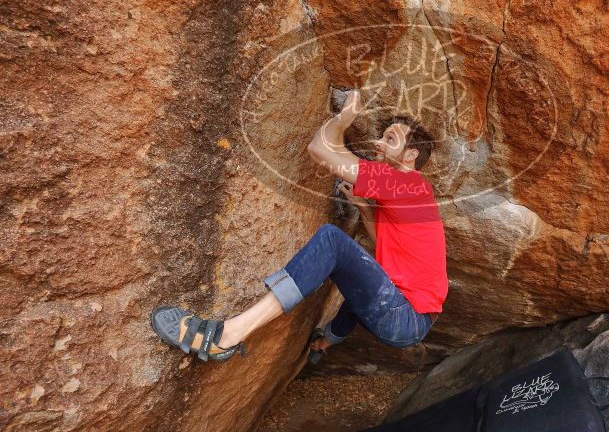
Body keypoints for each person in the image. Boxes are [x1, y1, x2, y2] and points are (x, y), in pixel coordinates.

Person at [150, 89, 449, 362]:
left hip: (404, 316)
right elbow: (384, 241)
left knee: (333, 242)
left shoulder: (406, 184)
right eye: (382, 136)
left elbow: (320, 149)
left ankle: (225, 337)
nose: (378, 143)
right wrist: (362, 206)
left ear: (411, 155)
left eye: (390, 140)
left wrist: (343, 118)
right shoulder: (411, 194)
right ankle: (324, 343)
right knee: (360, 276)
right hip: (407, 321)